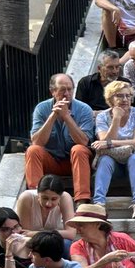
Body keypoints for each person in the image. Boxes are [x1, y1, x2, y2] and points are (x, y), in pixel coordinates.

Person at [25, 74, 97, 207]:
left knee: (79, 149)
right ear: (52, 91)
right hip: (51, 161)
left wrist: (67, 117)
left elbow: (84, 142)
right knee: (33, 150)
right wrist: (53, 116)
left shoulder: (84, 109)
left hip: (76, 162)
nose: (67, 94)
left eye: (70, 89)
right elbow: (37, 142)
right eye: (62, 90)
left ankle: (82, 200)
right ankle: (35, 198)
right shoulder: (42, 108)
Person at [91, 80, 135, 219]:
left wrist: (110, 143)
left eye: (128, 96)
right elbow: (103, 140)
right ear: (110, 98)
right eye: (120, 96)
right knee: (105, 160)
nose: (125, 99)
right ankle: (99, 203)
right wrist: (116, 118)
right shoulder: (102, 116)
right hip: (112, 160)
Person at [15, 174, 76, 254]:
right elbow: (25, 235)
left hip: (50, 240)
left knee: (66, 244)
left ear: (60, 196)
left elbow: (71, 233)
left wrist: (35, 233)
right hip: (32, 242)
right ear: (38, 192)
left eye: (54, 199)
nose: (48, 204)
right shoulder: (26, 198)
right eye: (45, 198)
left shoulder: (65, 198)